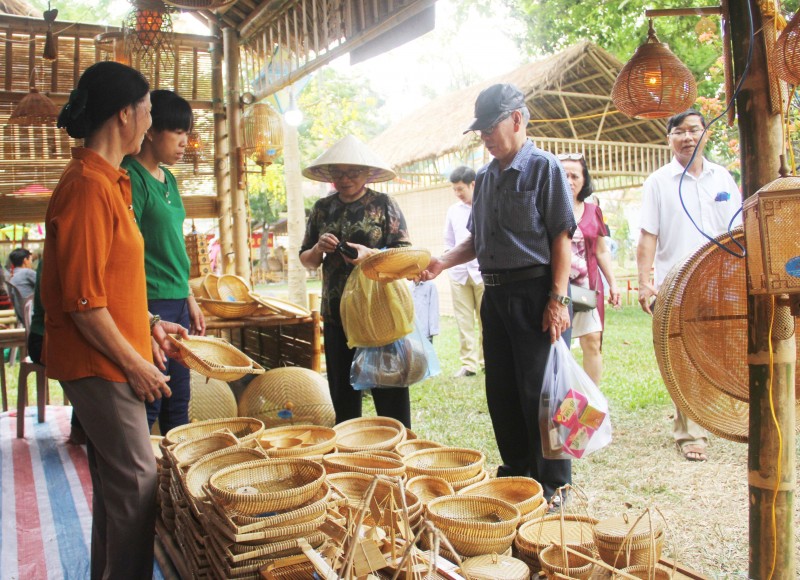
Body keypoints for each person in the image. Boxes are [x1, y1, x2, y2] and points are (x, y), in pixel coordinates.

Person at [41, 61, 188, 580]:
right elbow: (83, 303)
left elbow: (107, 282)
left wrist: (148, 321)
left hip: (110, 355)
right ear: (125, 114)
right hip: (99, 364)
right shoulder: (87, 186)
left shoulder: (110, 182)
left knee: (117, 485)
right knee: (139, 482)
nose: (150, 122)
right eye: (147, 110)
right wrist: (136, 365)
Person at [422, 84, 576, 499]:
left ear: (517, 119)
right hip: (495, 296)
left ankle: (555, 483)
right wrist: (441, 262)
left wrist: (558, 300)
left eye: (490, 128)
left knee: (544, 393)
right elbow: (477, 240)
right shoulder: (486, 177)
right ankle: (517, 472)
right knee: (502, 391)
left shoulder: (544, 168)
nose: (485, 137)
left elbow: (562, 237)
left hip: (536, 293)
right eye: (481, 131)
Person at [636, 109, 742, 463]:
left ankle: (715, 417)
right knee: (682, 355)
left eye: (694, 130)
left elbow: (740, 228)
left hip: (722, 283)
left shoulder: (722, 177)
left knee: (719, 354)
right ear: (669, 139)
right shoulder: (658, 182)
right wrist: (644, 282)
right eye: (679, 131)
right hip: (677, 283)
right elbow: (647, 235)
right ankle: (690, 432)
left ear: (705, 134)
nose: (687, 137)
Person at [300, 134, 413, 428]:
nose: (345, 179)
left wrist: (369, 255)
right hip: (336, 310)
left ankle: (398, 444)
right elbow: (307, 259)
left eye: (353, 172)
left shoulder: (384, 204)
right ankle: (349, 446)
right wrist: (318, 248)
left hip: (378, 311)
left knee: (388, 387)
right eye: (338, 173)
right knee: (343, 391)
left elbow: (403, 254)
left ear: (367, 173)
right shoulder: (322, 208)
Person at [122, 89, 206, 435]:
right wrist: (143, 314)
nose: (185, 141)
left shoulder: (168, 178)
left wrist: (189, 297)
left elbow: (173, 244)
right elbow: (126, 251)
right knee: (151, 399)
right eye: (177, 131)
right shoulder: (131, 177)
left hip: (177, 301)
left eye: (187, 132)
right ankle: (139, 467)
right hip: (149, 302)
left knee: (178, 399)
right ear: (151, 130)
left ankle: (176, 468)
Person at [557, 154, 621, 385]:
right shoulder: (546, 208)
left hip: (586, 288)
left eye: (575, 176)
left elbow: (601, 251)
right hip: (556, 290)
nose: (569, 181)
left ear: (584, 180)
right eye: (563, 175)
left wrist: (613, 283)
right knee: (558, 345)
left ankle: (592, 398)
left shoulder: (593, 211)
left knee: (592, 340)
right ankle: (560, 396)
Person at [445, 166, 484, 377]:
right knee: (463, 320)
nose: (457, 193)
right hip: (459, 273)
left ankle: (487, 360)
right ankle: (469, 364)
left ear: (473, 185)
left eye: (460, 188)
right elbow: (449, 241)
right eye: (454, 189)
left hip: (482, 272)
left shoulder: (484, 206)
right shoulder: (453, 211)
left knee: (486, 319)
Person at [411, 279, 439, 343]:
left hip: (425, 332)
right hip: (412, 332)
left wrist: (433, 330)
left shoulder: (430, 286)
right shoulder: (409, 287)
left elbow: (434, 308)